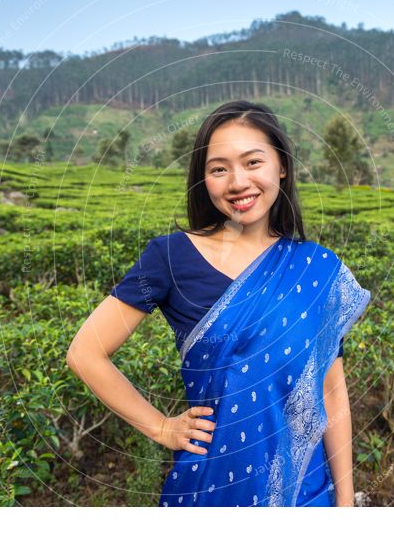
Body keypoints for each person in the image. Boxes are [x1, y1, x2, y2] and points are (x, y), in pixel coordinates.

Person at [66, 100, 371, 507]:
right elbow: (85, 353)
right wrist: (160, 427)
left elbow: (332, 393)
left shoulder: (316, 268)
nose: (237, 182)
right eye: (218, 169)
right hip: (210, 489)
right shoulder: (170, 257)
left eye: (253, 162)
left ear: (281, 166)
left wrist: (346, 506)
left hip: (306, 491)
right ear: (203, 180)